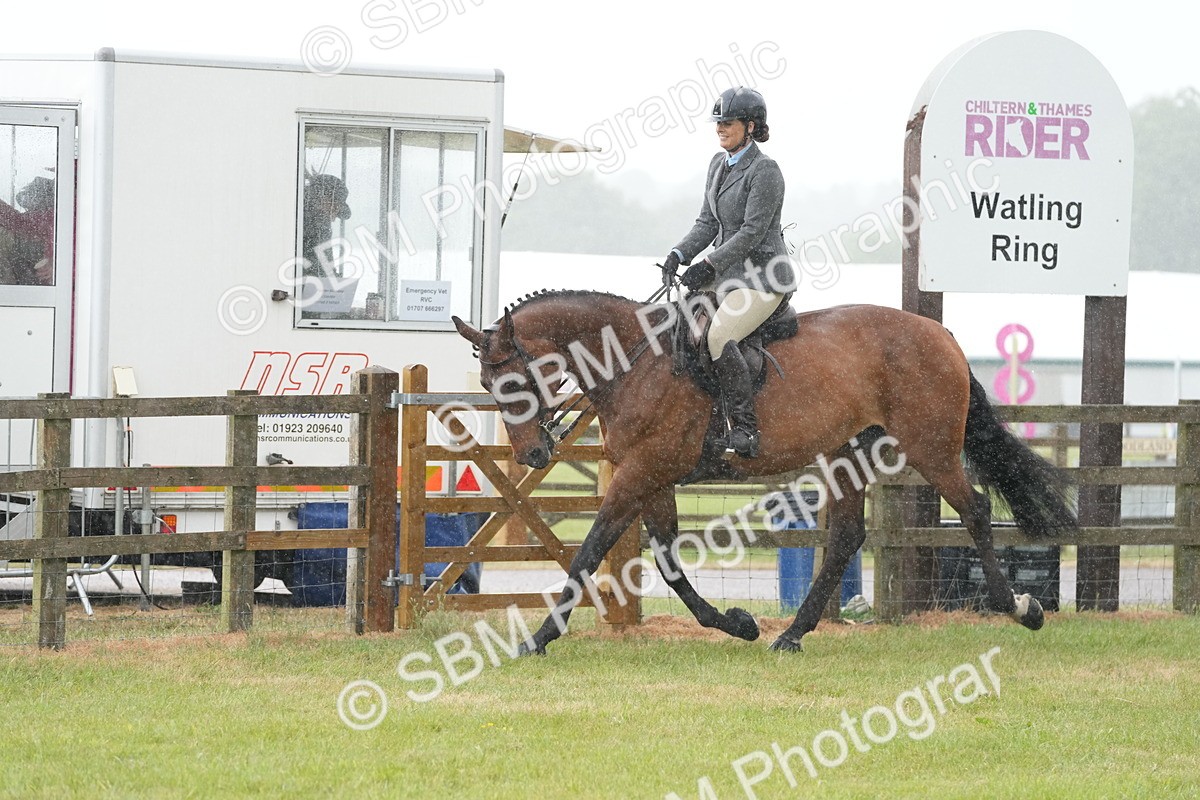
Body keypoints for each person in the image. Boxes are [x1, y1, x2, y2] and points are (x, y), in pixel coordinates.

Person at [661, 87, 795, 459]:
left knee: (718, 336)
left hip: (763, 279)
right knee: (683, 328)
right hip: (726, 277)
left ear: (750, 126)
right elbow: (707, 223)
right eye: (718, 122)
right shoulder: (717, 166)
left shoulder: (765, 171)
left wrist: (707, 265)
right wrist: (679, 253)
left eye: (729, 122)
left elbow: (751, 233)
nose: (721, 128)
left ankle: (746, 429)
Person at [0, 176, 55, 285]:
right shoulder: (52, 217)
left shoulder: (56, 217)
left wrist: (58, 265)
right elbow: (20, 222)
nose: (31, 210)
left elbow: (19, 222)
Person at [301, 173, 351, 278]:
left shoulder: (323, 228)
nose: (334, 214)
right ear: (321, 199)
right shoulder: (300, 221)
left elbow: (325, 262)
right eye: (334, 206)